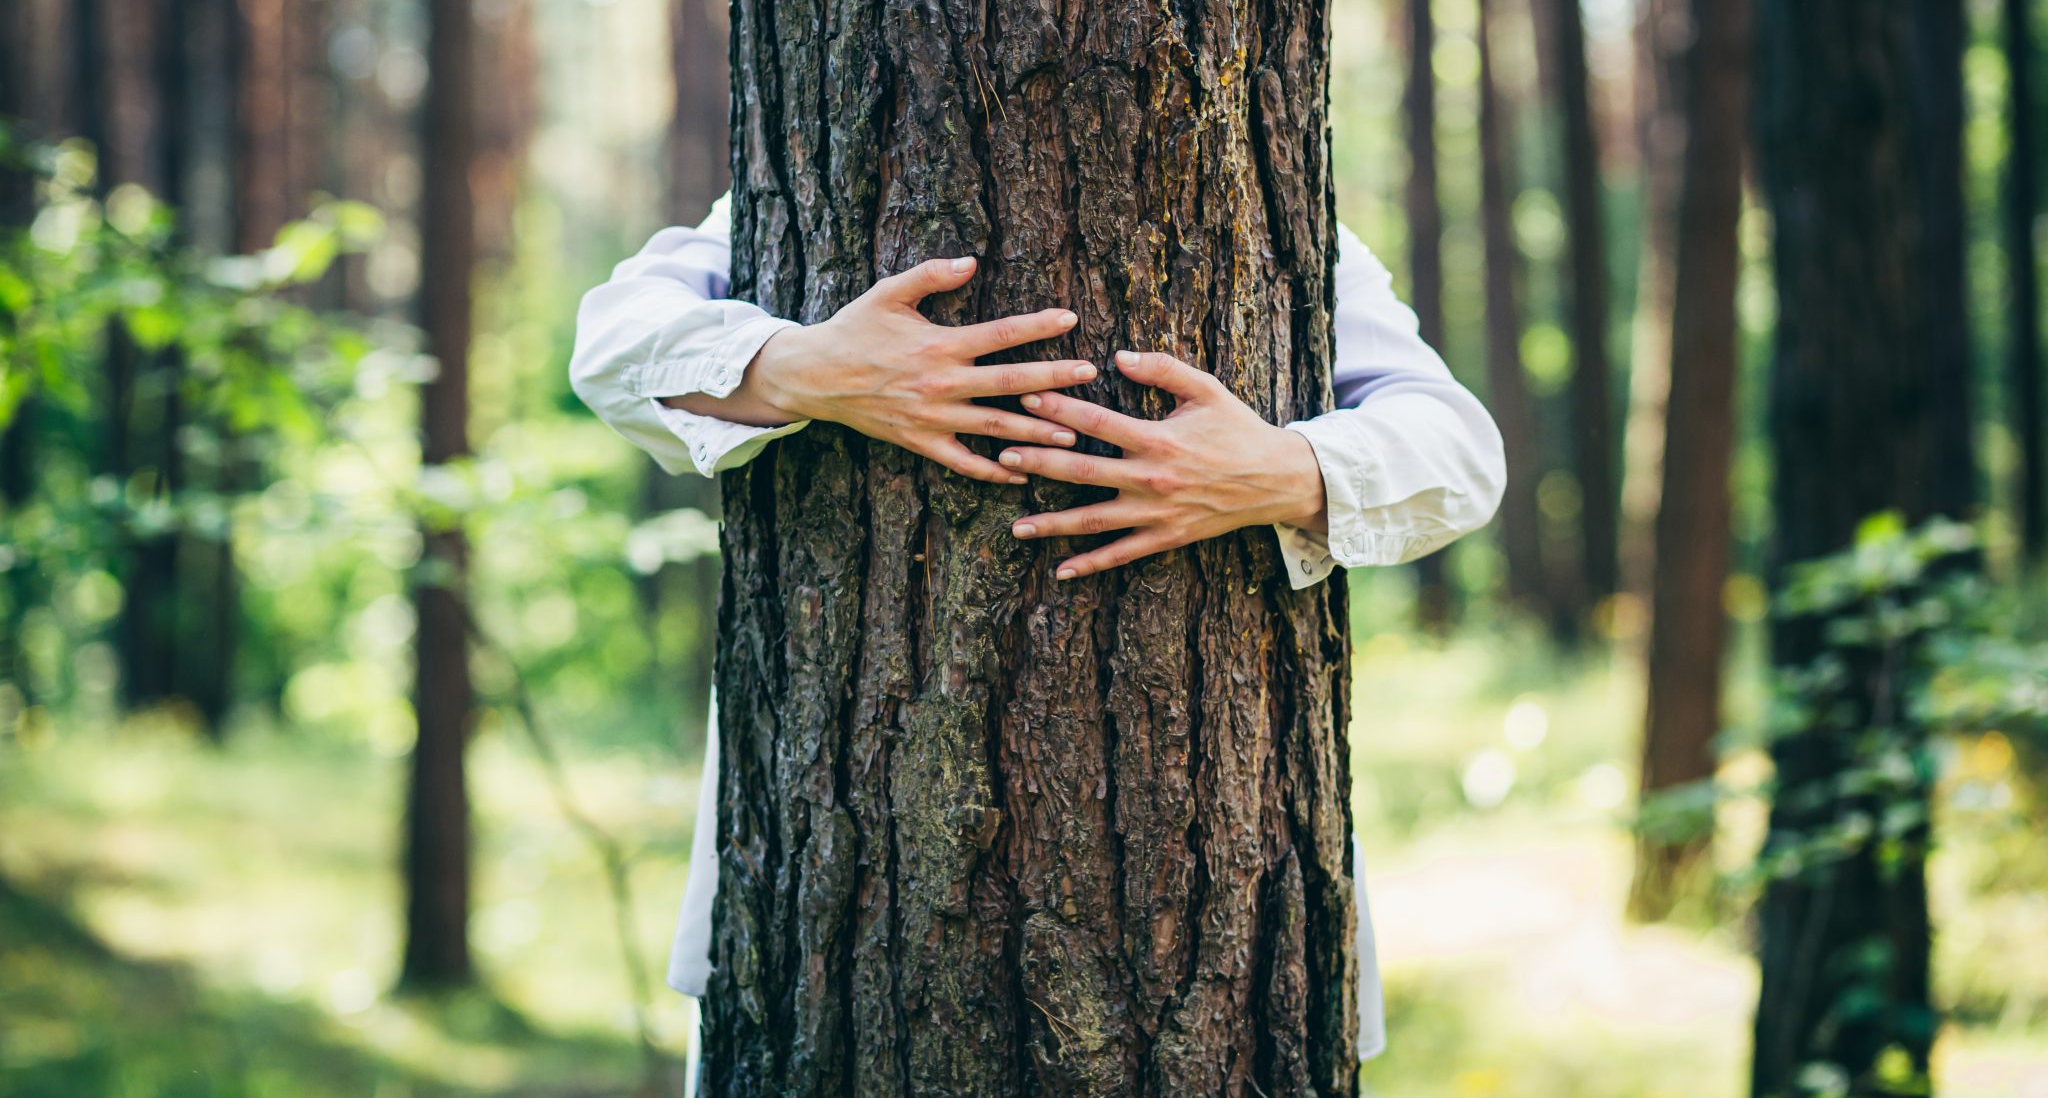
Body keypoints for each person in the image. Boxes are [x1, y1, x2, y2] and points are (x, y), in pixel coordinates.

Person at [570, 193, 1507, 1067]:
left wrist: (1283, 467)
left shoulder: (1272, 205)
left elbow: (1462, 450)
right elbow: (610, 338)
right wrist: (805, 368)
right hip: (833, 881)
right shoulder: (786, 198)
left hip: (1215, 872)